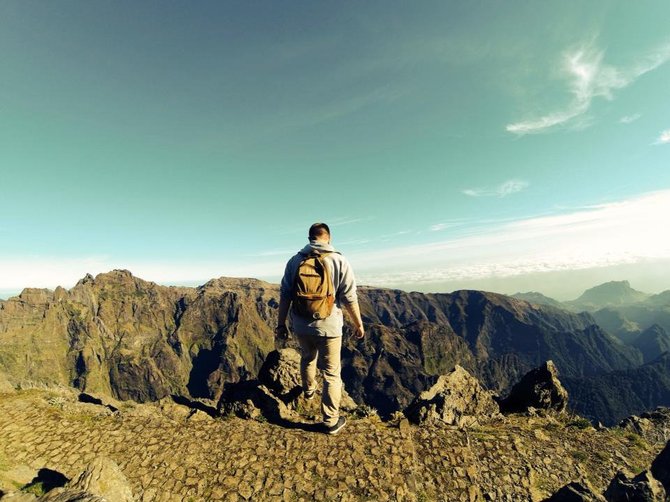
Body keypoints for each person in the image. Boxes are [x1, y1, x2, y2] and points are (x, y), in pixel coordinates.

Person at [275, 222, 365, 434]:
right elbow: (350, 297)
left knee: (307, 358)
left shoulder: (295, 261)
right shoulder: (339, 260)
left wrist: (280, 324)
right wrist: (358, 323)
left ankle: (308, 391)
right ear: (329, 238)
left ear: (309, 239)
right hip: (329, 327)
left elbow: (285, 295)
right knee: (332, 374)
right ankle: (330, 421)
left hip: (301, 325)